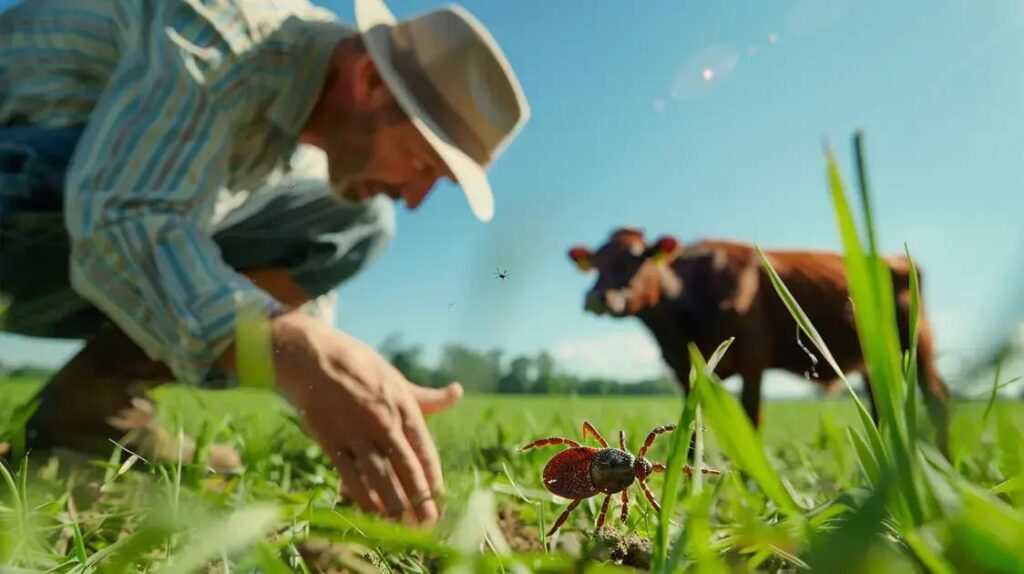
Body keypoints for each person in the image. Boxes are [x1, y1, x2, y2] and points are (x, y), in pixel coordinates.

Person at [0, 0, 530, 527]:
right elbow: (118, 220)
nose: (414, 197)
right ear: (369, 80)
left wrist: (330, 384)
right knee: (112, 187)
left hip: (61, 241)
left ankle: (90, 410)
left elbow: (289, 311)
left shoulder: (299, 133)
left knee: (356, 225)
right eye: (422, 163)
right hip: (26, 189)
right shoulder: (219, 34)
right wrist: (294, 349)